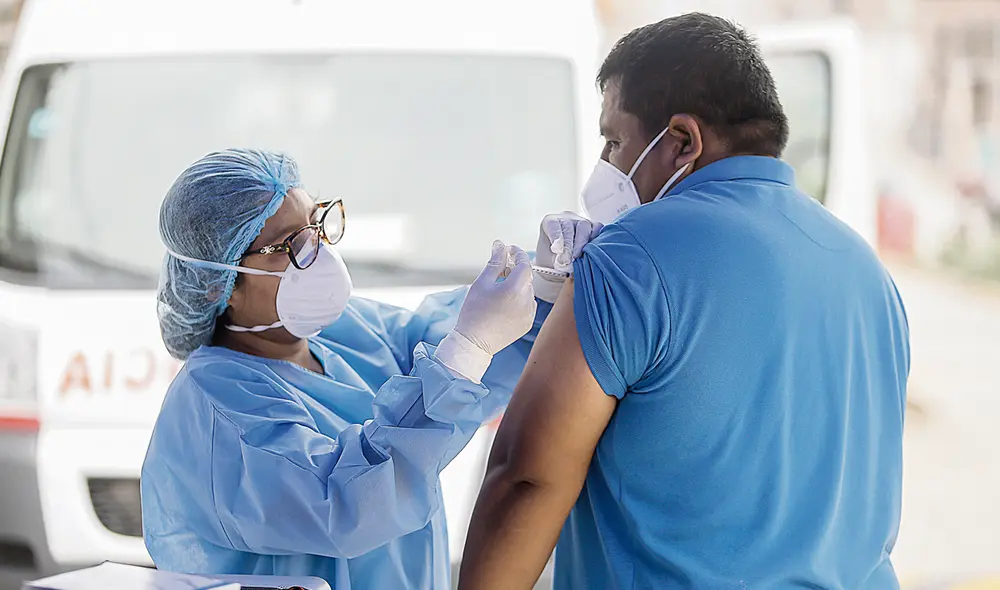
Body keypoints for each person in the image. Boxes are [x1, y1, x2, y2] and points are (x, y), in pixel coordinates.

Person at [459, 13, 910, 590]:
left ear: (682, 141)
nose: (608, 166)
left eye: (615, 141)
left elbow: (526, 477)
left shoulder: (631, 260)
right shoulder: (866, 270)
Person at [140, 149, 599, 590]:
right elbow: (349, 504)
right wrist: (467, 350)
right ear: (217, 285)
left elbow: (442, 348)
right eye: (288, 246)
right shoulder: (218, 407)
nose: (316, 252)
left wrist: (542, 291)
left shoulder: (345, 332)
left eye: (315, 228)